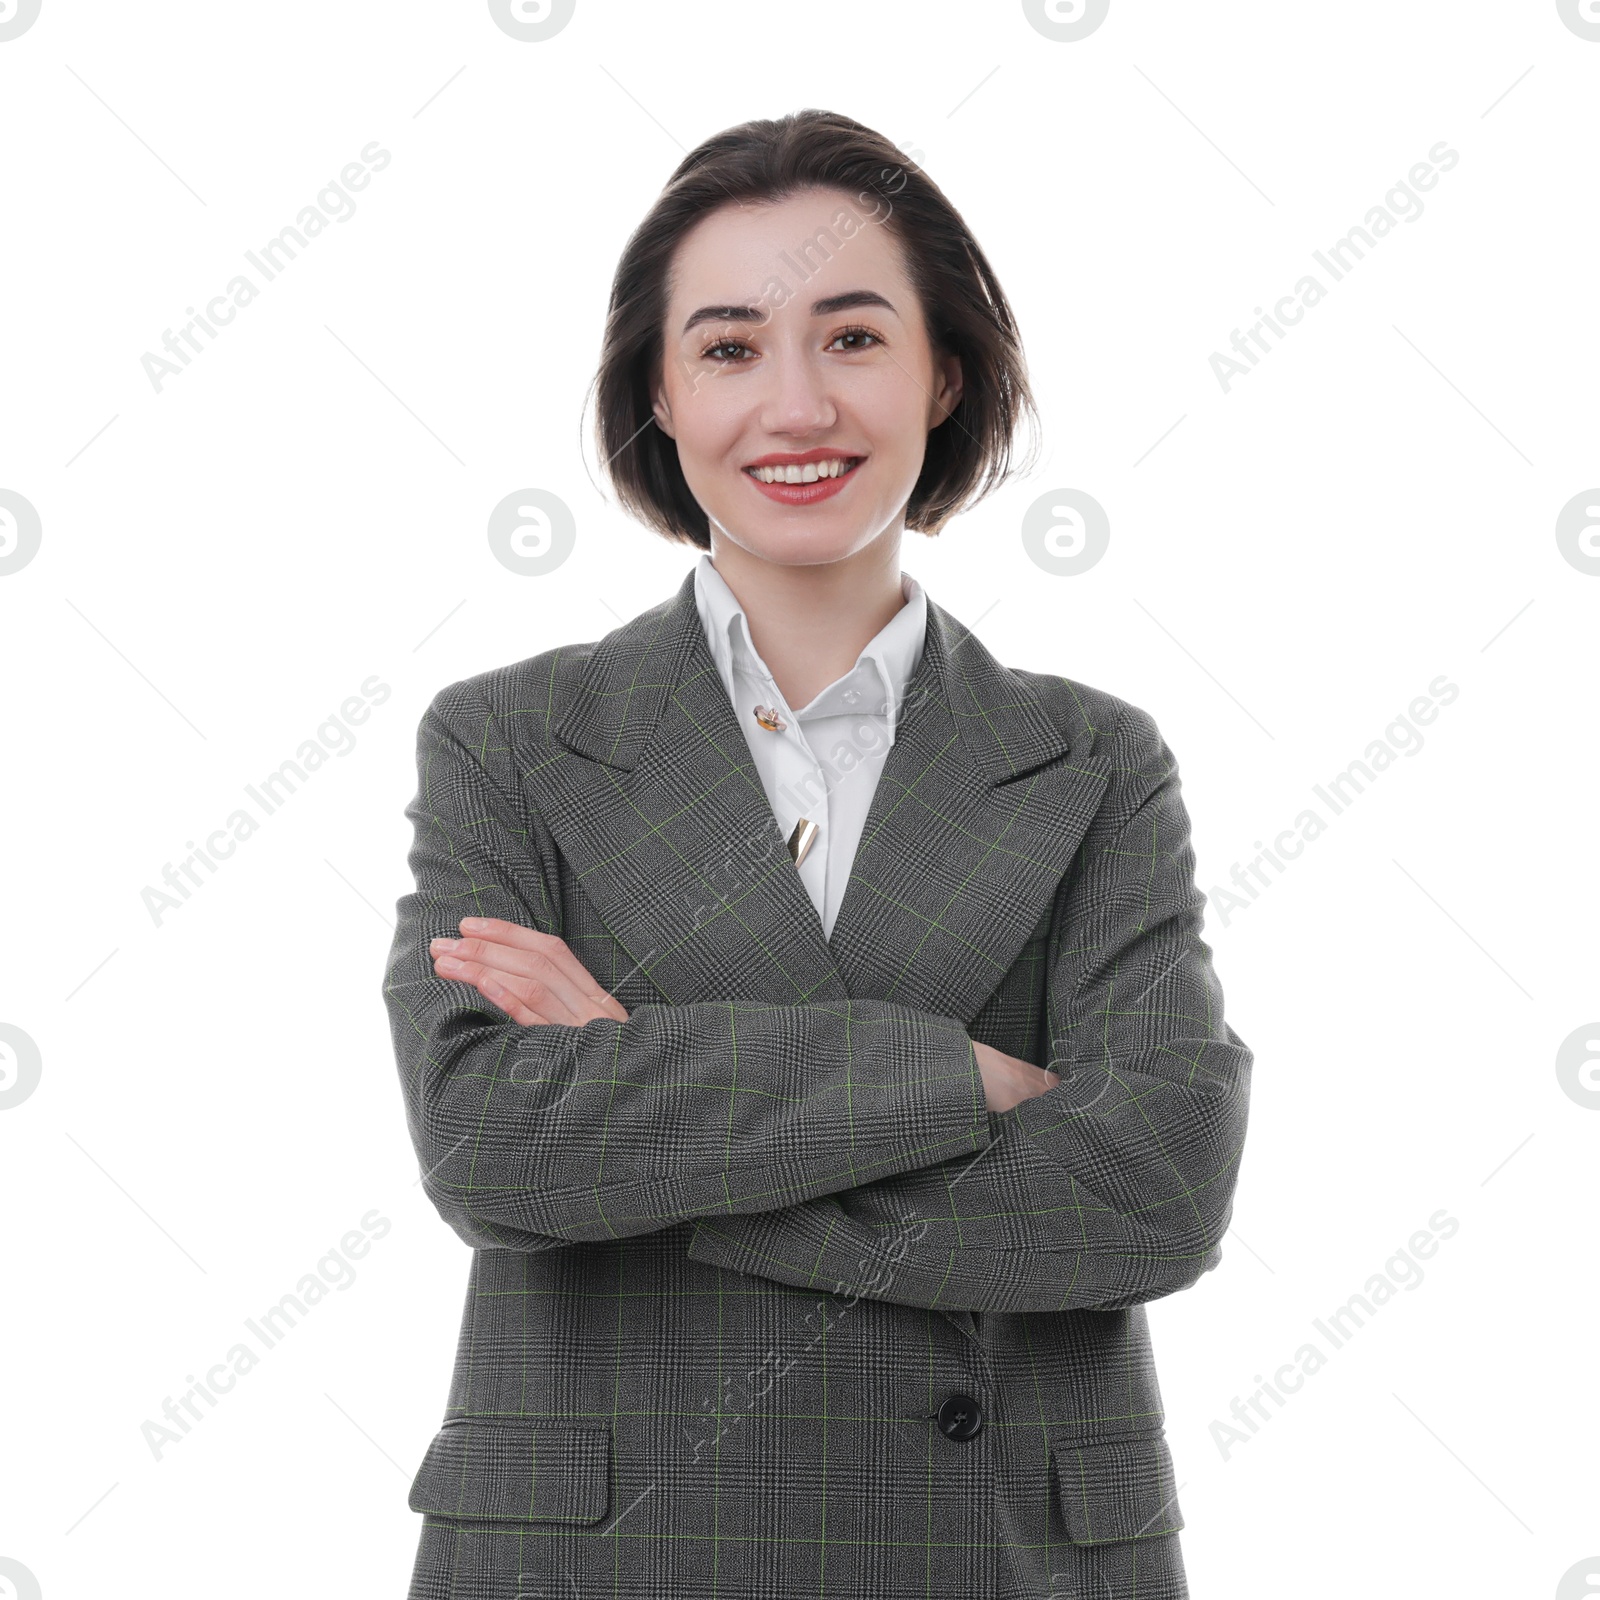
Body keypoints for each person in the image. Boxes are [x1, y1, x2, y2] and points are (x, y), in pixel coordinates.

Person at [383, 107, 1252, 1600]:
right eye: (728, 348)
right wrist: (952, 1080)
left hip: (992, 1553)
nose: (796, 406)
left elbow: (1150, 1193)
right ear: (656, 393)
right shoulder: (512, 740)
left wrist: (641, 1086)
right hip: (600, 1551)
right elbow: (491, 1144)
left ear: (943, 374)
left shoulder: (1095, 761)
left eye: (852, 339)